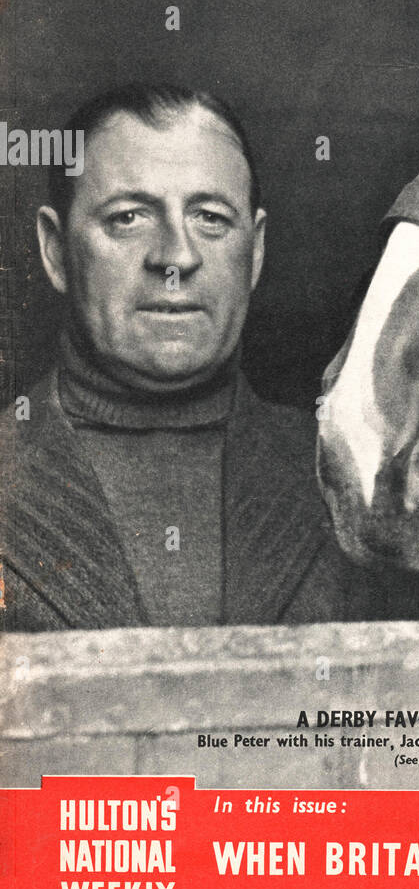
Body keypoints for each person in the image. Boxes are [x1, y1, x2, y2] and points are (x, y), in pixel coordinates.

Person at [0, 83, 350, 631]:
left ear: (254, 252)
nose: (176, 258)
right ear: (55, 249)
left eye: (210, 217)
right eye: (128, 218)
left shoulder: (350, 476)